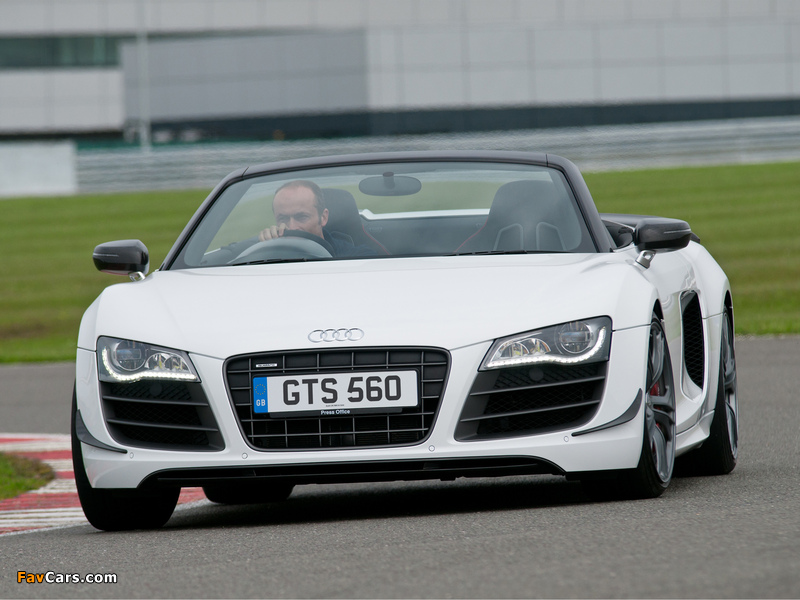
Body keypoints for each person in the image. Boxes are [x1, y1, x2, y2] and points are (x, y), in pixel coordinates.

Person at [258, 180, 375, 257]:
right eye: (283, 218)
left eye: (302, 217)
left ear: (323, 217)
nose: (292, 227)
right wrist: (265, 247)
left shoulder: (355, 256)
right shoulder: (267, 254)